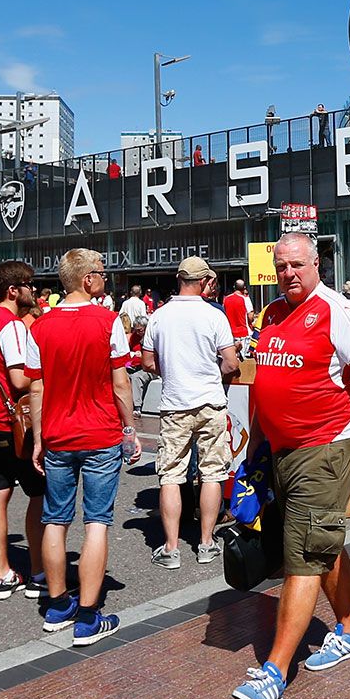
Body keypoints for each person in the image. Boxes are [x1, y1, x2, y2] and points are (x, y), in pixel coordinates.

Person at [230, 233, 350, 699]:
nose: (289, 274)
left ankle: (274, 671)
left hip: (325, 449)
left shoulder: (338, 311)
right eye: (281, 266)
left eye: (297, 265)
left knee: (301, 553)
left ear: (317, 263)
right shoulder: (272, 314)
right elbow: (266, 383)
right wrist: (255, 446)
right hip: (280, 452)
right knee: (323, 542)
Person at [29, 248, 141, 646]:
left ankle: (58, 605)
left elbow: (36, 388)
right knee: (96, 521)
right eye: (103, 273)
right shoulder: (107, 321)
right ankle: (89, 616)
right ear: (88, 279)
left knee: (55, 520)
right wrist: (130, 428)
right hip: (99, 434)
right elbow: (121, 383)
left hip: (58, 434)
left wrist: (39, 438)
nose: (106, 279)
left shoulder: (39, 327)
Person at [139, 257, 239, 570]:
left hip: (174, 403)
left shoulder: (159, 316)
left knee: (170, 475)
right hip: (210, 400)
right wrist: (212, 371)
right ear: (203, 281)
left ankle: (170, 548)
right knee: (211, 472)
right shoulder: (213, 315)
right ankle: (207, 543)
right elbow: (232, 362)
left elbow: (146, 361)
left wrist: (170, 371)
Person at [0, 261, 47, 599]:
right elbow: (19, 379)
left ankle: (1, 574)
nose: (34, 290)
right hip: (11, 422)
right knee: (39, 494)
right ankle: (39, 571)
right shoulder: (12, 325)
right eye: (29, 284)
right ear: (13, 290)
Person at [223, 279, 254, 351]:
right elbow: (250, 317)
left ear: (234, 287)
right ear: (244, 288)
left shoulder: (226, 299)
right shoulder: (245, 299)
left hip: (230, 334)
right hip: (244, 333)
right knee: (245, 359)